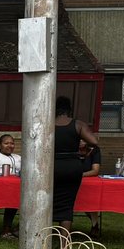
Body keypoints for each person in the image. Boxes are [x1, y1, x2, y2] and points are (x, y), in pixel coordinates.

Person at [52, 96, 99, 231]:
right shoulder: (78, 124)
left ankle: (43, 239)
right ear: (69, 110)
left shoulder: (47, 123)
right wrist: (86, 150)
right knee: (67, 204)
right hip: (72, 166)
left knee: (48, 201)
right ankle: (64, 244)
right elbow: (94, 142)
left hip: (51, 166)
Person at [78, 138, 102, 237]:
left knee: (90, 198)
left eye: (82, 140)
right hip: (70, 180)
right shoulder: (69, 148)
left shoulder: (94, 150)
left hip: (87, 182)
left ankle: (94, 224)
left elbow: (95, 171)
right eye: (78, 140)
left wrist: (79, 175)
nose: (80, 142)